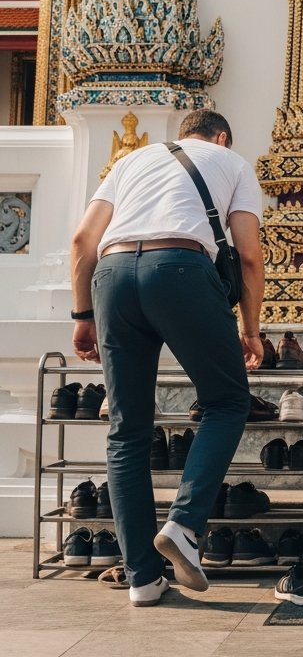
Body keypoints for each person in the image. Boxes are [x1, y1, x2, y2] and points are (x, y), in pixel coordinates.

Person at [69, 110, 265, 607]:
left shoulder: (131, 161)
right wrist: (250, 330)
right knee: (226, 402)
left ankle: (142, 578)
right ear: (221, 137)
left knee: (127, 429)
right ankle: (184, 524)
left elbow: (82, 240)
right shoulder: (231, 162)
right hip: (180, 269)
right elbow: (248, 255)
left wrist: (82, 315)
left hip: (111, 276)